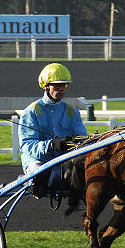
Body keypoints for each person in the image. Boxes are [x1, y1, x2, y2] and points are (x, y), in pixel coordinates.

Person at [19, 63, 87, 202]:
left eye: (64, 85)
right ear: (46, 86)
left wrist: (75, 143)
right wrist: (51, 145)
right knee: (41, 175)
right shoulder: (32, 111)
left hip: (63, 161)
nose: (61, 89)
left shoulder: (72, 111)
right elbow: (27, 145)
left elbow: (82, 139)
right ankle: (29, 181)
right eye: (57, 86)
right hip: (38, 162)